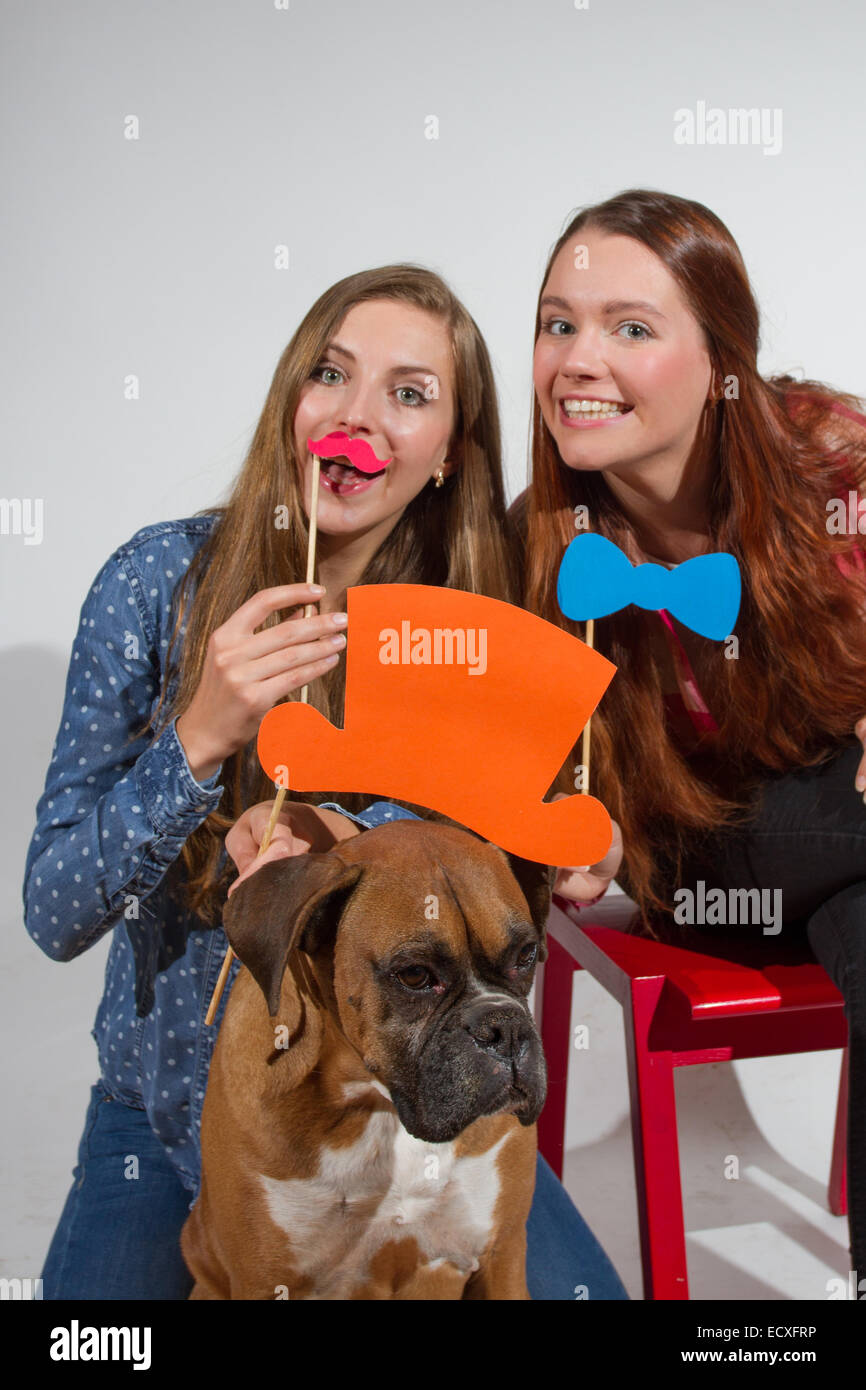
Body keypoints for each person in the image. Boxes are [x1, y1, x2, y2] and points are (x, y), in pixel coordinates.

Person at [24, 263, 628, 1300]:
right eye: (329, 373)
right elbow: (55, 911)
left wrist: (585, 858)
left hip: (432, 1112)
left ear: (450, 453)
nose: (356, 417)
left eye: (408, 393)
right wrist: (200, 737)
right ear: (289, 399)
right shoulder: (152, 586)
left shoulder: (479, 633)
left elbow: (499, 898)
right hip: (168, 1114)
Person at [512, 186, 866, 1282]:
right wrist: (572, 833)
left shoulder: (832, 466)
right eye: (557, 323)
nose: (577, 357)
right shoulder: (542, 548)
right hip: (695, 873)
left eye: (628, 326)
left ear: (723, 358)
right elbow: (519, 774)